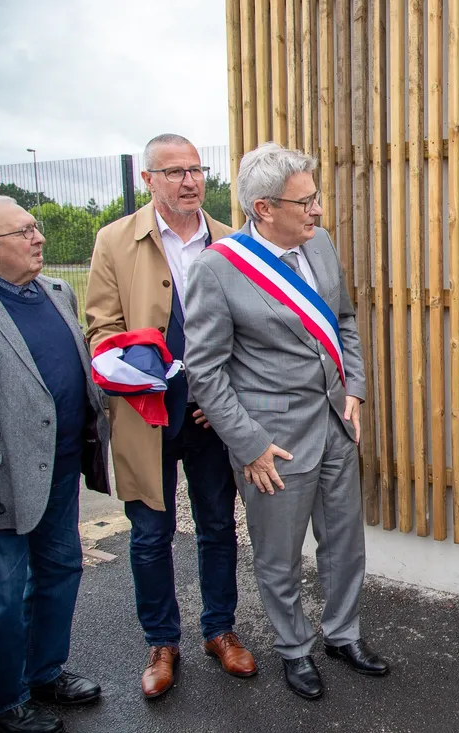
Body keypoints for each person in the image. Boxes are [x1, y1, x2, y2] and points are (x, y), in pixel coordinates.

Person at [183, 142, 388, 700]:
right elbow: (205, 372)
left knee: (345, 543)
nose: (318, 210)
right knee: (278, 556)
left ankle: (342, 634)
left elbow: (344, 320)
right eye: (307, 202)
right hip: (272, 443)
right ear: (264, 208)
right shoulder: (217, 271)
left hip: (335, 426)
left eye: (316, 198)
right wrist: (249, 445)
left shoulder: (318, 243)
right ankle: (294, 648)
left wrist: (356, 389)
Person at [85, 134, 256, 699]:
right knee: (151, 536)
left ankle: (220, 630)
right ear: (148, 180)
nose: (190, 180)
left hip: (211, 418)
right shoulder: (113, 242)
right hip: (146, 416)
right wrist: (137, 370)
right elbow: (101, 331)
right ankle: (162, 643)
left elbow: (249, 337)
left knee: (216, 526)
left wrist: (223, 395)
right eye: (175, 171)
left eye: (196, 169)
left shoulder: (231, 243)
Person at [0, 197, 110, 733]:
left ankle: (45, 672)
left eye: (35, 226)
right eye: (23, 232)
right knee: (4, 593)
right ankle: (7, 698)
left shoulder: (56, 291)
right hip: (6, 478)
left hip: (62, 468)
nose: (39, 238)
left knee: (60, 571)